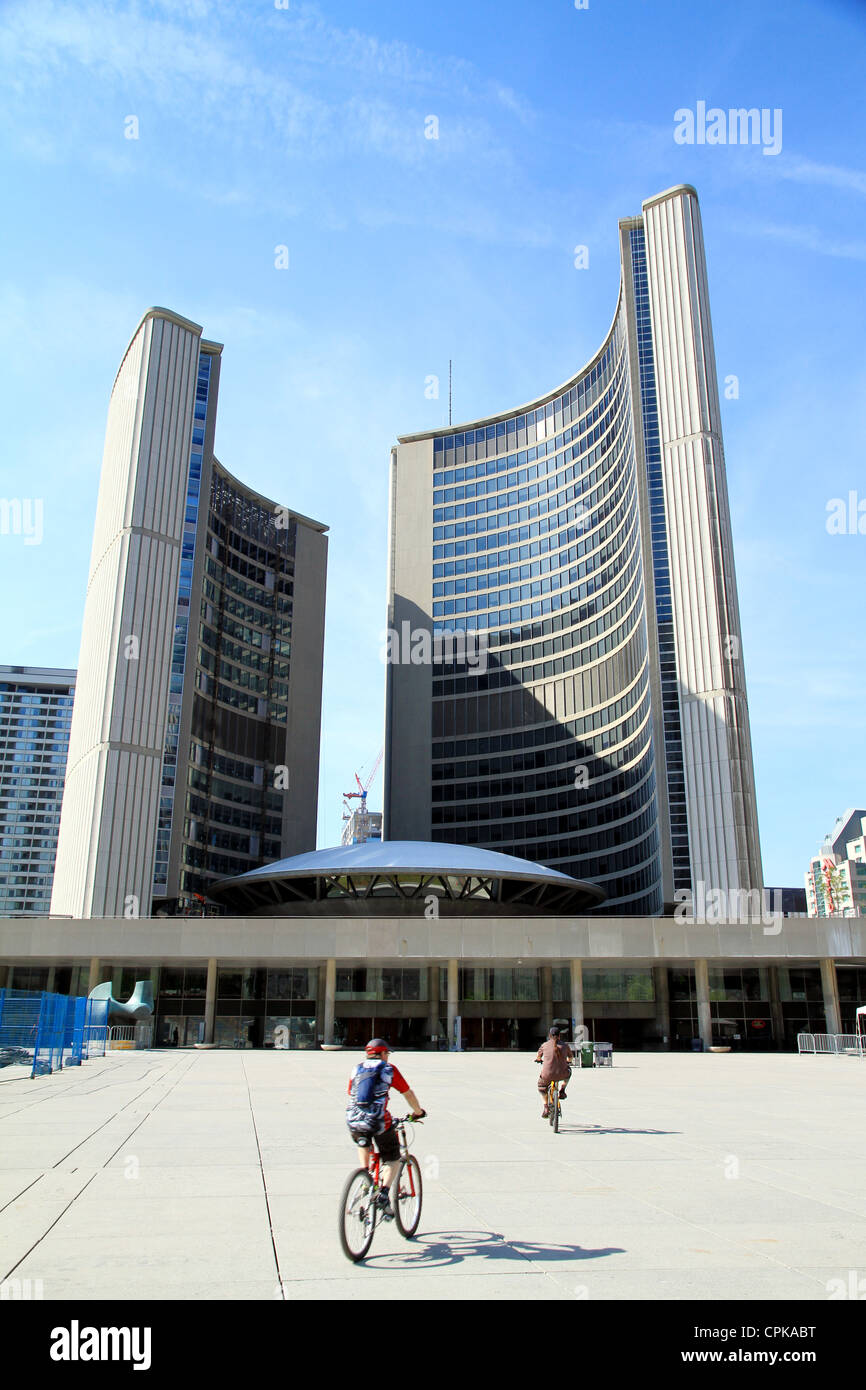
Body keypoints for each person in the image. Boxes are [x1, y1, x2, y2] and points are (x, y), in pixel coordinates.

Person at [345, 1038, 425, 1218]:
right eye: (387, 1053)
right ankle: (383, 1192)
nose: (387, 1057)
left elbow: (351, 1093)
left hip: (353, 1119)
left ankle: (365, 1176)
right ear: (381, 1053)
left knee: (363, 1141)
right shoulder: (388, 1069)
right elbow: (408, 1093)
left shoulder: (356, 1068)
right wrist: (418, 1111)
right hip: (378, 1121)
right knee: (392, 1157)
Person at [535, 1025, 573, 1118]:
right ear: (559, 1036)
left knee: (541, 1086)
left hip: (547, 1075)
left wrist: (539, 1059)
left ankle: (546, 1107)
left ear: (549, 1036)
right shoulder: (565, 1045)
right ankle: (563, 1090)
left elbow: (538, 1057)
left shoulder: (544, 1045)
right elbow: (571, 1057)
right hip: (562, 1074)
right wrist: (568, 1061)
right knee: (569, 1072)